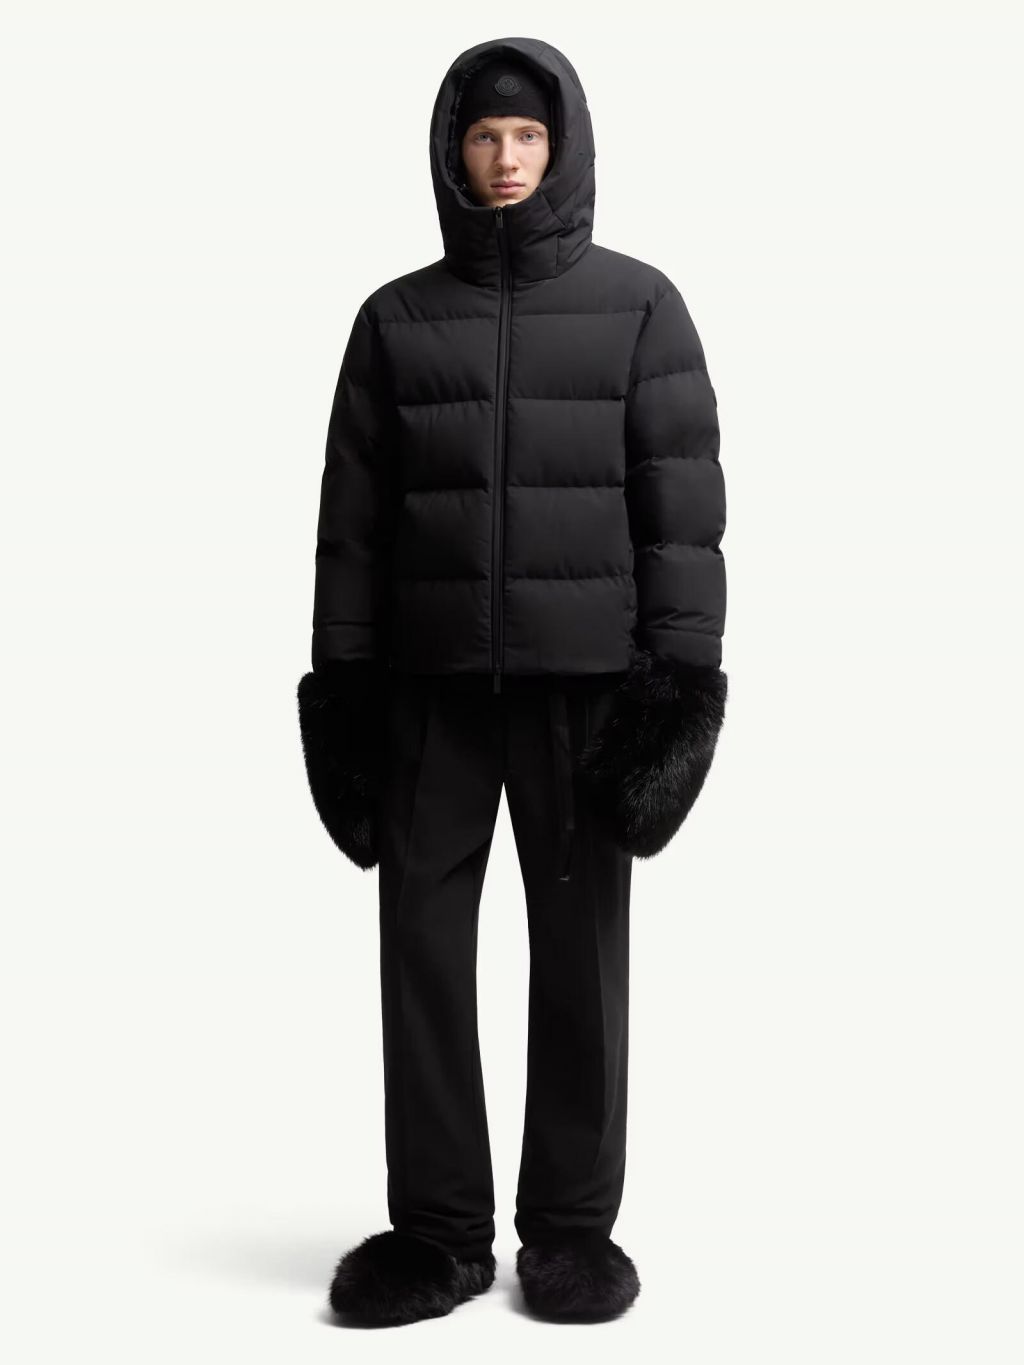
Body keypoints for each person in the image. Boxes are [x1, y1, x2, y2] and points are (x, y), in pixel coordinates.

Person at [297, 35, 728, 1326]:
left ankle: (572, 1233)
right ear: (451, 149)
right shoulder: (394, 320)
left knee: (582, 961)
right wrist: (345, 689)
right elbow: (350, 527)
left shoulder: (640, 308)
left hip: (585, 691)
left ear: (564, 147)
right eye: (484, 136)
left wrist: (677, 690)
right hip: (428, 690)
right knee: (421, 953)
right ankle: (438, 1233)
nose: (504, 158)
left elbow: (683, 518)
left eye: (527, 136)